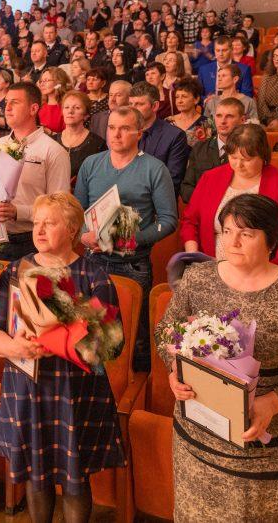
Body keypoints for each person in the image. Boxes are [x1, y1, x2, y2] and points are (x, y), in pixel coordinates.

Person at [159, 193, 278, 521]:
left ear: (271, 239)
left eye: (246, 233)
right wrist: (174, 370)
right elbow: (166, 334)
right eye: (227, 231)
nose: (233, 241)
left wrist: (273, 402)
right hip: (195, 438)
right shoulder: (198, 278)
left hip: (256, 449)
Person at [0, 193, 125, 523]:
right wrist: (13, 346)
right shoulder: (18, 269)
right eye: (36, 223)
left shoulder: (93, 275)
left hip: (75, 391)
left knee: (76, 481)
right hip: (26, 384)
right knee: (36, 473)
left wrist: (61, 335)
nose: (39, 230)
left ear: (73, 228)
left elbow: (110, 346)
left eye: (50, 223)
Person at [75, 106, 177, 371]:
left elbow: (168, 220)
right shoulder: (91, 164)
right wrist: (82, 235)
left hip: (133, 264)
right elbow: (76, 211)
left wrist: (134, 239)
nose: (116, 134)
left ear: (139, 133)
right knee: (91, 330)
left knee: (135, 335)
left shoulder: (155, 169)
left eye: (124, 129)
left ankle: (135, 389)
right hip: (93, 259)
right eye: (111, 128)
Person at [181, 124, 278, 267]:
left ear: (263, 156)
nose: (238, 165)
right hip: (209, 265)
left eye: (246, 160)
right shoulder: (211, 178)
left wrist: (270, 266)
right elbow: (190, 220)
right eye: (233, 157)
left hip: (261, 269)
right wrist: (193, 255)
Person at [0, 83, 71, 260]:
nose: (8, 108)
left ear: (33, 108)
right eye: (6, 102)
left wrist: (18, 212)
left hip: (30, 239)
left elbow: (59, 208)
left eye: (15, 102)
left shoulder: (53, 151)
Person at [129, 82, 189, 190]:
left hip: (156, 201)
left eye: (139, 104)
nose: (133, 109)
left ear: (155, 106)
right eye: (131, 104)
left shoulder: (175, 136)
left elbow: (172, 181)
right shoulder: (125, 132)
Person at [52, 91, 105, 183]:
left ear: (86, 115)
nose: (70, 111)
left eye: (77, 108)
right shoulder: (52, 141)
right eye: (66, 107)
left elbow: (101, 178)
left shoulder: (98, 144)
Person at [37, 67, 70, 133]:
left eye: (46, 80)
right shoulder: (39, 106)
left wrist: (50, 133)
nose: (42, 84)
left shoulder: (66, 108)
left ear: (58, 82)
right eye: (41, 81)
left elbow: (70, 136)